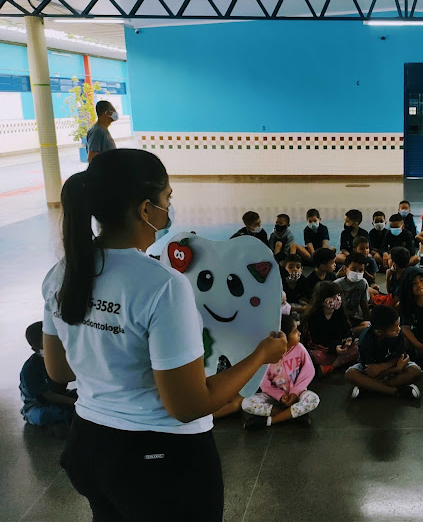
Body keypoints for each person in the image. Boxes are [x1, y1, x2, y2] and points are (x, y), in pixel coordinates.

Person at [41, 148, 288, 520]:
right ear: (145, 209)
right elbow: (188, 405)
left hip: (89, 446)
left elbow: (59, 371)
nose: (169, 208)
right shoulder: (162, 286)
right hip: (158, 460)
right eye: (167, 198)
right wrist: (260, 356)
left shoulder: (62, 272)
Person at [241, 316, 318, 429]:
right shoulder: (267, 354)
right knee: (246, 403)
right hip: (272, 396)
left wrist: (295, 393)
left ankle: (271, 420)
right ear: (283, 337)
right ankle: (293, 414)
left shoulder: (299, 348)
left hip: (297, 393)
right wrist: (280, 396)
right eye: (295, 331)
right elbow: (264, 383)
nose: (299, 333)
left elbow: (308, 371)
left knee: (313, 399)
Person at [345, 305, 422, 399]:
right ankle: (395, 391)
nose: (399, 329)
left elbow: (401, 357)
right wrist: (395, 369)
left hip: (391, 365)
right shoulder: (365, 341)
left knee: (416, 372)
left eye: (398, 325)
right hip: (375, 369)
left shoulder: (398, 332)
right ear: (379, 332)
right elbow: (371, 372)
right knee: (350, 374)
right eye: (394, 329)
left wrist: (384, 367)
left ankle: (370, 388)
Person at [20, 321, 76, 437]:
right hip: (36, 405)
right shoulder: (30, 368)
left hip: (62, 396)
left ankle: (64, 419)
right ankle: (60, 421)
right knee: (46, 414)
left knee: (84, 395)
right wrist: (76, 403)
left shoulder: (61, 356)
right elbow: (47, 396)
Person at [302, 281, 358, 376]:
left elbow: (347, 330)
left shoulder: (340, 312)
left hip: (338, 347)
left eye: (338, 295)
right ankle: (340, 362)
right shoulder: (313, 317)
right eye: (332, 296)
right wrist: (333, 348)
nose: (337, 299)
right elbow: (314, 341)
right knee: (315, 355)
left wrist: (348, 340)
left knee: (358, 346)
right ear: (322, 300)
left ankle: (331, 367)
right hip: (323, 349)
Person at [333, 253, 371, 334]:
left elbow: (364, 304)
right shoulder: (336, 285)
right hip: (339, 318)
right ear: (345, 269)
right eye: (353, 269)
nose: (357, 273)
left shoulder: (362, 283)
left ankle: (348, 332)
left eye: (361, 270)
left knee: (367, 325)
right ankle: (344, 333)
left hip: (353, 317)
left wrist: (368, 320)